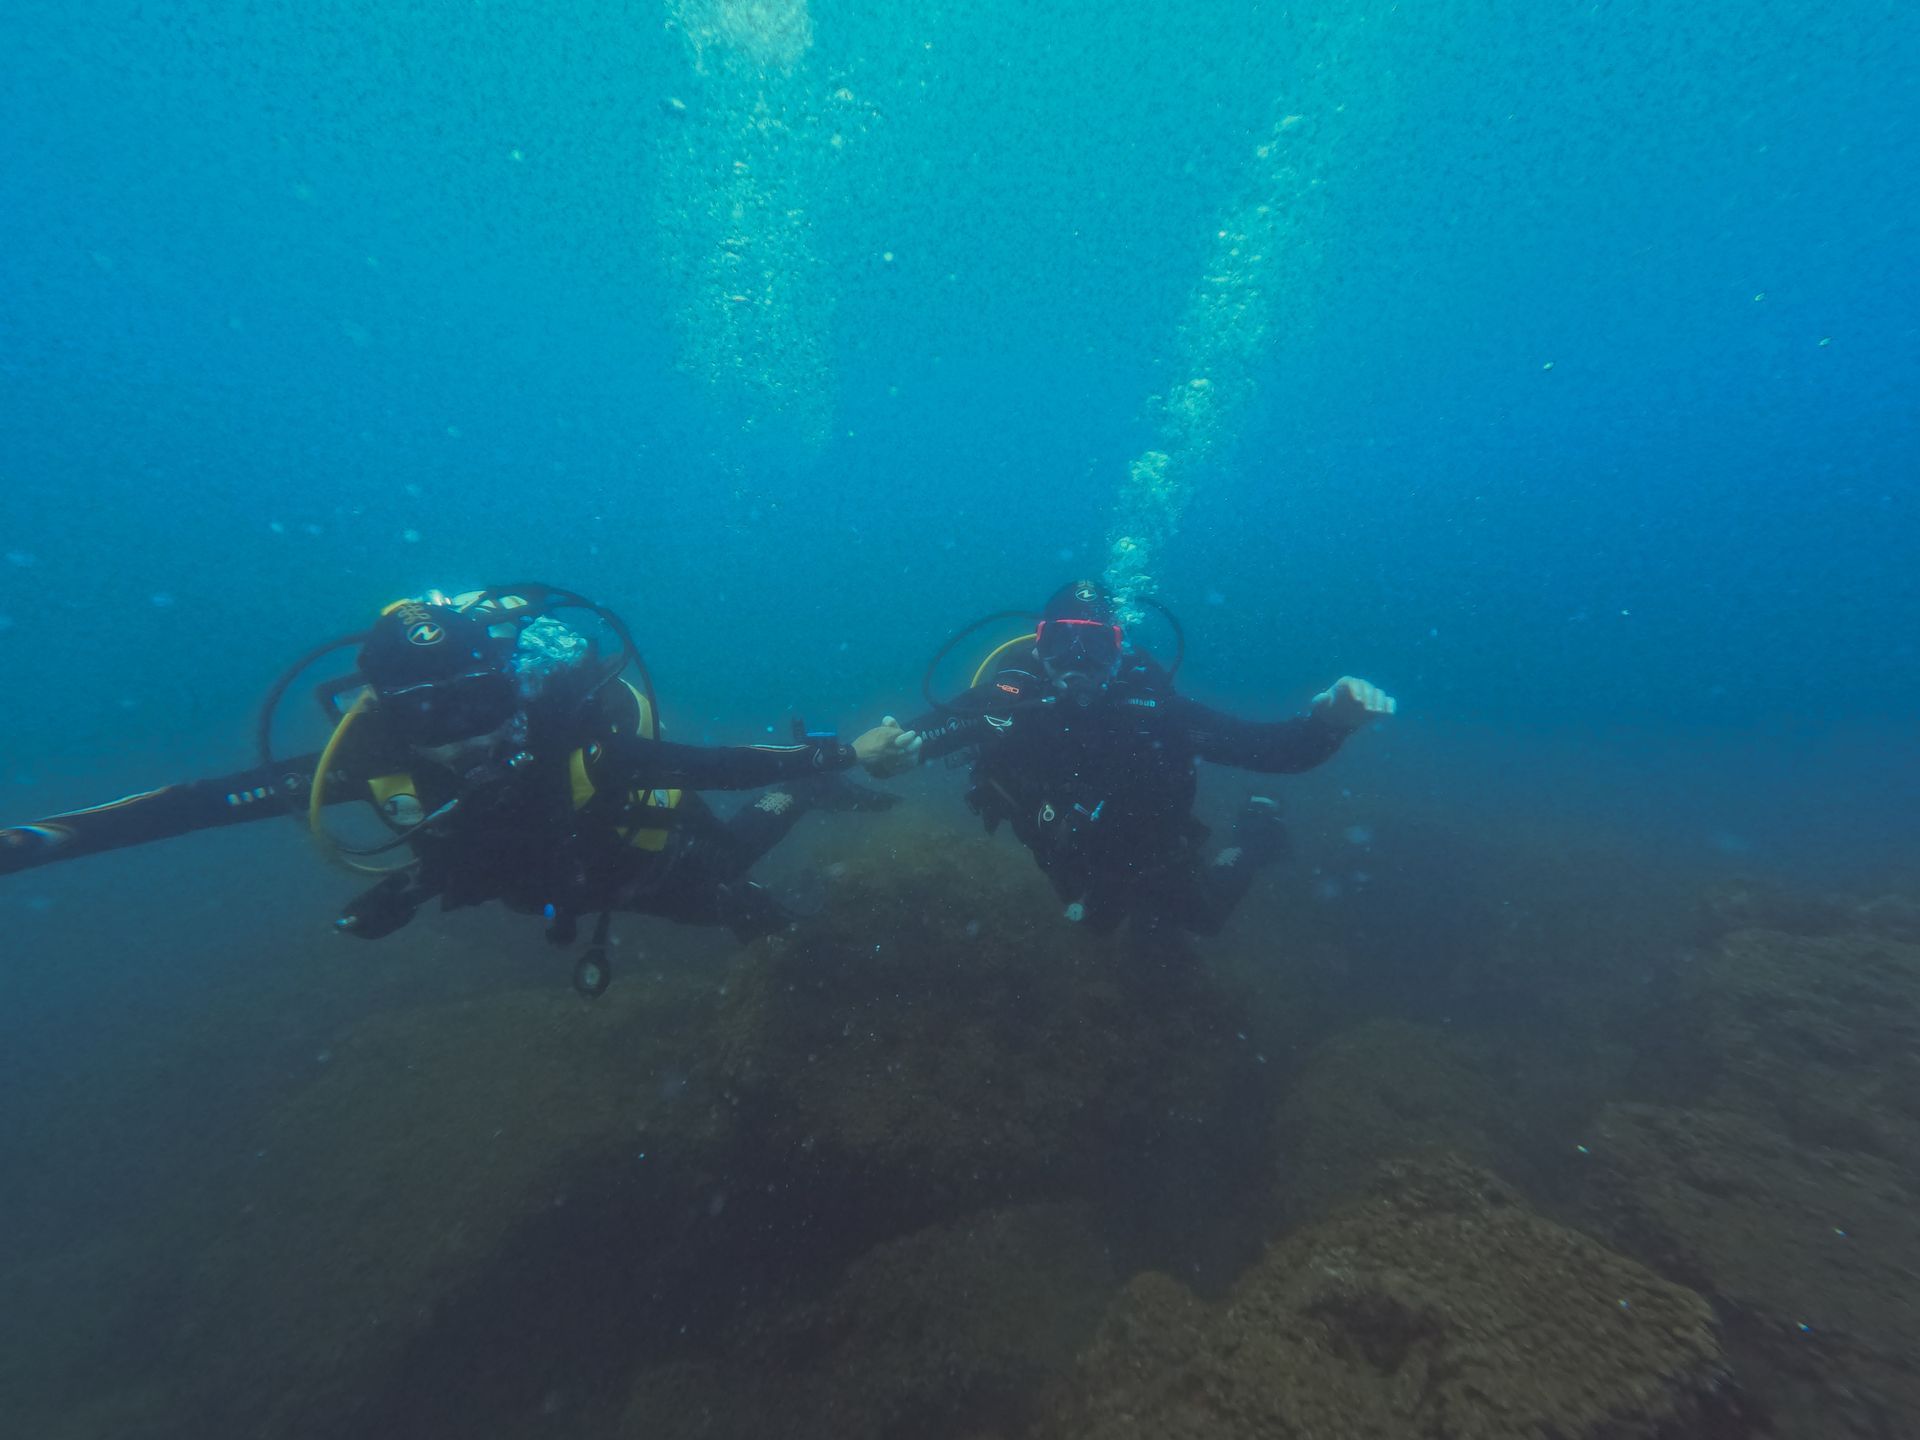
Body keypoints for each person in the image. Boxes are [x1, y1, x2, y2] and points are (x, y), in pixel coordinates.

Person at [0, 584, 900, 994]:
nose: (464, 732)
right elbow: (196, 804)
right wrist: (39, 841)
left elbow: (712, 765)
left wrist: (834, 760)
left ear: (510, 687)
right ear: (386, 714)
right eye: (432, 716)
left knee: (740, 878)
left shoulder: (566, 731)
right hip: (536, 883)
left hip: (636, 858)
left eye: (477, 700)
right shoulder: (371, 764)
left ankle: (805, 816)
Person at [854, 580, 1396, 936]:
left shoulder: (1152, 709)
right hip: (1062, 848)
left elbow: (1271, 750)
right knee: (1096, 926)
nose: (1079, 660)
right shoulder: (1009, 697)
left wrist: (1329, 722)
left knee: (1199, 920)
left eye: (1097, 646)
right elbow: (922, 734)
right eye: (1064, 642)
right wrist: (890, 750)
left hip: (1149, 848)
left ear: (1121, 647)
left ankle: (1257, 830)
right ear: (1039, 644)